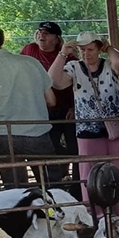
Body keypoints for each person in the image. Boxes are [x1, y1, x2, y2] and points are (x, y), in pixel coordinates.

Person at [49, 31, 119, 215]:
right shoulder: (73, 67)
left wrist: (109, 48)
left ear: (99, 49)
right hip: (87, 130)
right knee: (90, 175)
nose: (86, 53)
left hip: (115, 129)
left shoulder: (109, 65)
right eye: (83, 49)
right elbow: (54, 81)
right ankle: (95, 214)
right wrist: (62, 53)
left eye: (90, 49)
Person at [0, 20, 64, 189]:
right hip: (37, 133)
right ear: (0, 39)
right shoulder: (31, 62)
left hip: (3, 137)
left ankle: (23, 214)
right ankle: (58, 212)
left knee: (15, 190)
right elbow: (51, 100)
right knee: (51, 185)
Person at [21, 21, 78, 194]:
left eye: (47, 33)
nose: (41, 35)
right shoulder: (29, 50)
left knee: (75, 148)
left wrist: (75, 107)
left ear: (56, 38)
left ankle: (77, 187)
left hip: (66, 108)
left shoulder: (71, 59)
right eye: (39, 32)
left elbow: (79, 84)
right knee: (49, 146)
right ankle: (52, 187)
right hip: (42, 109)